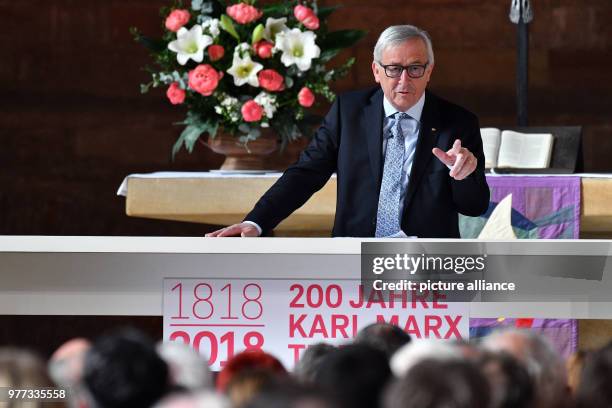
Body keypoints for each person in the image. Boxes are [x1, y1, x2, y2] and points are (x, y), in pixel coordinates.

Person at [207, 24, 489, 238]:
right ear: (376, 71)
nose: (404, 80)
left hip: (428, 263)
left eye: (415, 68)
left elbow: (474, 207)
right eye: (393, 69)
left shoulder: (458, 123)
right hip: (354, 256)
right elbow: (306, 173)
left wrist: (464, 177)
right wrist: (257, 222)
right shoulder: (349, 112)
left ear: (429, 71)